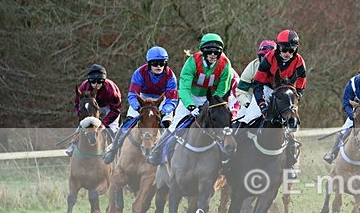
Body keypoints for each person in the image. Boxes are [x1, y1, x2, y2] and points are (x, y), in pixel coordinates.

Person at [147, 33, 232, 165]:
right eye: (210, 51)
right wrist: (191, 106)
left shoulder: (225, 64)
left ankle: (225, 157)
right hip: (190, 97)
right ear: (203, 50)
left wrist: (210, 104)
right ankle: (157, 152)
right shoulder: (192, 62)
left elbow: (222, 89)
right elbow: (184, 88)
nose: (213, 54)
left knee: (220, 125)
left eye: (217, 52)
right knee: (175, 125)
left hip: (211, 99)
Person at [239, 29, 307, 177]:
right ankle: (234, 157)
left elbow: (302, 78)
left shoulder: (299, 60)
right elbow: (257, 84)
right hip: (266, 88)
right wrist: (262, 105)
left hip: (285, 90)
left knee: (291, 124)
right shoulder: (269, 58)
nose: (287, 53)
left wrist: (298, 93)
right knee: (248, 119)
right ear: (278, 47)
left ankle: (290, 163)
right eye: (284, 49)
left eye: (291, 50)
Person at [103, 46, 178, 163]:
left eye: (162, 63)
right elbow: (133, 95)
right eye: (154, 63)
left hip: (161, 100)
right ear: (149, 64)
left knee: (168, 125)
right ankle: (113, 149)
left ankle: (168, 155)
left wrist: (164, 111)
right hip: (142, 98)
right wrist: (138, 107)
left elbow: (172, 100)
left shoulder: (170, 76)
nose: (158, 66)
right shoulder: (139, 73)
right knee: (127, 122)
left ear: (166, 63)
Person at [68, 64, 121, 156]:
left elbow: (116, 109)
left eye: (100, 81)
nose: (96, 84)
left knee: (112, 128)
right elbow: (77, 104)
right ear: (89, 80)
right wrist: (82, 118)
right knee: (84, 125)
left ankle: (115, 148)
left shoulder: (111, 89)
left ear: (104, 80)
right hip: (92, 106)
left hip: (110, 107)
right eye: (93, 81)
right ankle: (73, 145)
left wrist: (103, 123)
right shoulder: (83, 87)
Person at [234, 39, 276, 125]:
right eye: (264, 57)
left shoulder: (280, 68)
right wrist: (247, 104)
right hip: (251, 95)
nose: (266, 61)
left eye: (270, 58)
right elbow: (240, 91)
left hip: (272, 95)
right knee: (243, 118)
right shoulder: (252, 68)